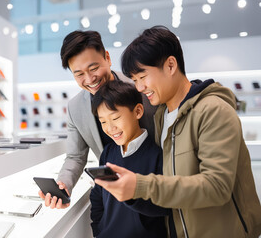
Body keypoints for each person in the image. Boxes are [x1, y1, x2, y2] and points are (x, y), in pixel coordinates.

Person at [94, 25, 261, 238]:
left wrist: (141, 186)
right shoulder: (160, 117)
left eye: (143, 77)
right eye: (134, 80)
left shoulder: (213, 110)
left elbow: (217, 186)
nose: (139, 88)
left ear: (170, 65)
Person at [38, 30, 157, 209]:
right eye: (79, 74)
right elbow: (76, 156)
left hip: (155, 189)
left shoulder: (140, 87)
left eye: (93, 68)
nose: (89, 79)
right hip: (114, 200)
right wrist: (63, 185)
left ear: (107, 58)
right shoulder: (75, 108)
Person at [90, 80, 174, 238]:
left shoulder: (157, 156)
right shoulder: (108, 153)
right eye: (103, 121)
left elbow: (165, 206)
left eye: (115, 118)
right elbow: (97, 197)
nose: (110, 127)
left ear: (138, 111)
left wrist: (132, 194)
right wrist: (98, 230)